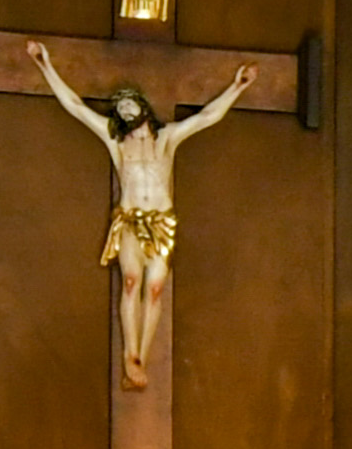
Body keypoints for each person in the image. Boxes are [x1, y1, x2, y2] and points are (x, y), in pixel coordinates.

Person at [30, 48, 252, 383]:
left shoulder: (167, 138)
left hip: (162, 221)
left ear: (142, 106)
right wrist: (44, 63)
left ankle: (141, 358)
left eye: (129, 103)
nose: (124, 108)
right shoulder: (114, 139)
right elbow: (75, 107)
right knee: (132, 282)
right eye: (120, 107)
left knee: (156, 288)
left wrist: (238, 87)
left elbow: (207, 117)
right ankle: (128, 353)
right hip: (131, 218)